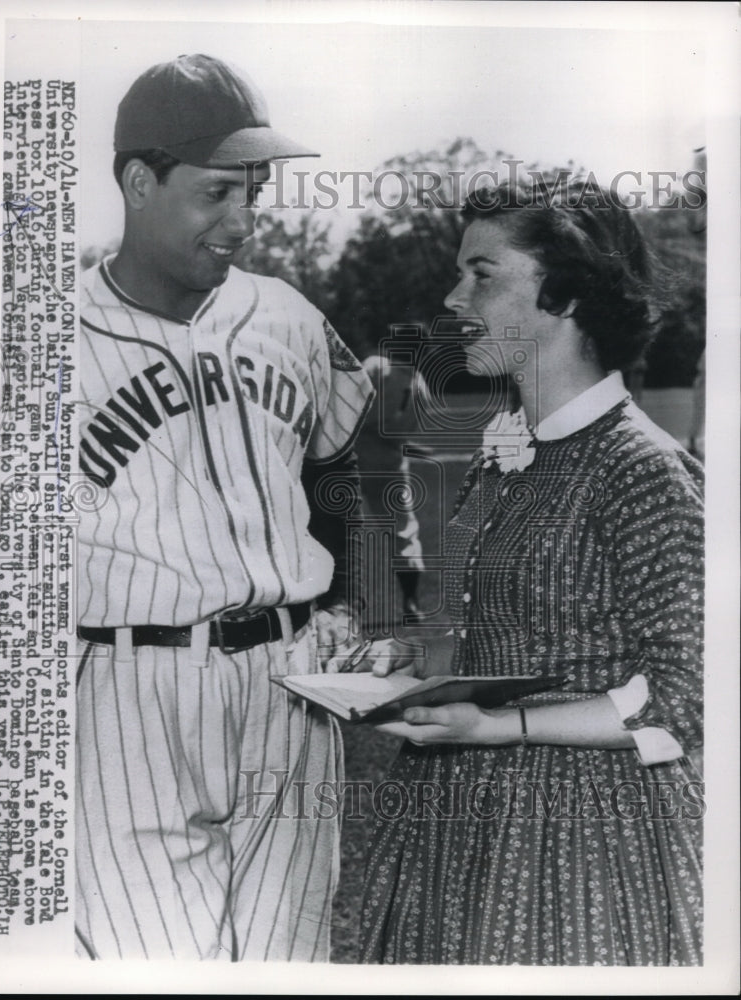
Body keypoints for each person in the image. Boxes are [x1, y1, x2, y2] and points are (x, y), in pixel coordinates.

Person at [75, 54, 374, 960]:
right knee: (155, 964)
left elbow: (343, 466)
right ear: (139, 182)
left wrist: (348, 601)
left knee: (291, 960)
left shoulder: (286, 315)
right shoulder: (47, 338)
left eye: (255, 192)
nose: (244, 222)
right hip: (128, 689)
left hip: (292, 681)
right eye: (217, 193)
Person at [359, 180, 704, 965]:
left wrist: (501, 727)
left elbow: (688, 698)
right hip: (460, 817)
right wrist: (409, 657)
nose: (454, 298)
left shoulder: (639, 468)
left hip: (582, 836)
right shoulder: (509, 450)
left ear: (567, 294)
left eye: (482, 274)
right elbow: (498, 632)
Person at [354, 353, 427, 625]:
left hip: (353, 453)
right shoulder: (421, 384)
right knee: (403, 529)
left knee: (334, 526)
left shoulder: (376, 365)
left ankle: (335, 604)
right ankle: (411, 602)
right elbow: (404, 430)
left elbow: (351, 402)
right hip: (390, 459)